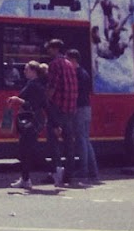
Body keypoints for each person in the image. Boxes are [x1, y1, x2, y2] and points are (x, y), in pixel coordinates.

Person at [43, 39, 78, 185]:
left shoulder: (55, 64)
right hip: (70, 108)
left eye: (49, 48)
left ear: (55, 48)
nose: (47, 51)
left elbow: (52, 86)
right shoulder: (69, 64)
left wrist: (45, 99)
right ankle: (69, 174)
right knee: (69, 143)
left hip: (57, 108)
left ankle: (56, 172)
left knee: (53, 142)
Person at [8, 61, 48, 188]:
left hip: (31, 121)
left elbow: (32, 105)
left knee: (26, 149)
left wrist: (17, 100)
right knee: (26, 149)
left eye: (26, 69)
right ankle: (26, 179)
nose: (24, 71)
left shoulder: (34, 86)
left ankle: (54, 170)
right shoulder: (35, 84)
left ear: (33, 71)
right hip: (33, 121)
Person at [72, 56, 100, 184]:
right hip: (87, 107)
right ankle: (93, 171)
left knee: (81, 139)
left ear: (73, 60)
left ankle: (84, 170)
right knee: (86, 139)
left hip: (80, 108)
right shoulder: (85, 73)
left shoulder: (76, 74)